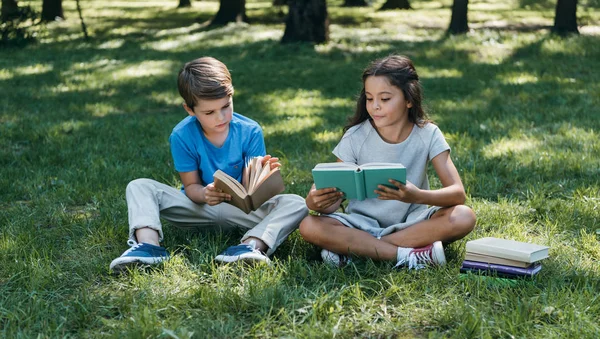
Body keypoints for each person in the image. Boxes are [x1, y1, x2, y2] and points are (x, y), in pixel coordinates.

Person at [110, 57, 308, 272]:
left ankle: (250, 247)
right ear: (190, 109)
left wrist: (262, 177)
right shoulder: (182, 135)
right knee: (139, 186)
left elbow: (250, 195)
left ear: (232, 96)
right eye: (209, 112)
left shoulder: (250, 131)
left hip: (240, 212)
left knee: (298, 203)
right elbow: (191, 186)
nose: (221, 117)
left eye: (226, 106)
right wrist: (205, 194)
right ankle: (148, 247)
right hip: (199, 208)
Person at [299, 55, 476, 269]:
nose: (375, 107)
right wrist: (315, 201)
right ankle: (408, 255)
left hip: (413, 223)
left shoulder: (428, 134)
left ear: (409, 99)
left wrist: (417, 196)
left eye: (384, 99)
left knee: (463, 216)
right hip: (361, 224)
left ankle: (357, 250)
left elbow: (458, 193)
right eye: (369, 98)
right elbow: (334, 201)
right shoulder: (355, 137)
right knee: (309, 225)